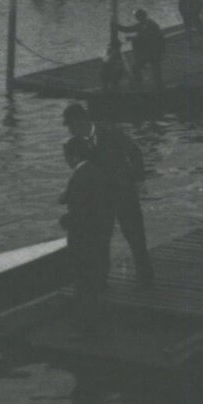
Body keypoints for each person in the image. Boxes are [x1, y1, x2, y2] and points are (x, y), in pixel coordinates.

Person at [65, 102, 153, 285]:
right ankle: (101, 280)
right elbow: (79, 174)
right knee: (100, 240)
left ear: (84, 122)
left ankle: (146, 279)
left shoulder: (111, 133)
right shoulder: (71, 146)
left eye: (73, 126)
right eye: (69, 128)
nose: (71, 131)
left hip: (124, 192)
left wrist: (139, 180)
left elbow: (135, 153)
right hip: (99, 200)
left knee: (135, 236)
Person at [60, 138, 116, 321]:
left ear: (74, 157)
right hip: (100, 230)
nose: (65, 160)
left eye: (66, 156)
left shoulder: (79, 177)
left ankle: (86, 325)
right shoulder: (95, 171)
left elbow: (81, 212)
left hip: (83, 236)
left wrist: (65, 220)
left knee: (83, 281)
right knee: (97, 272)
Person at [129, 8, 166, 93]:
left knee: (155, 71)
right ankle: (142, 84)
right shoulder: (140, 24)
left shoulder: (150, 24)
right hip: (147, 52)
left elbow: (151, 37)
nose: (136, 18)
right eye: (136, 16)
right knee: (136, 68)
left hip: (152, 52)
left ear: (141, 16)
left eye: (137, 16)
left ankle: (158, 89)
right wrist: (117, 26)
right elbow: (129, 29)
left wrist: (135, 38)